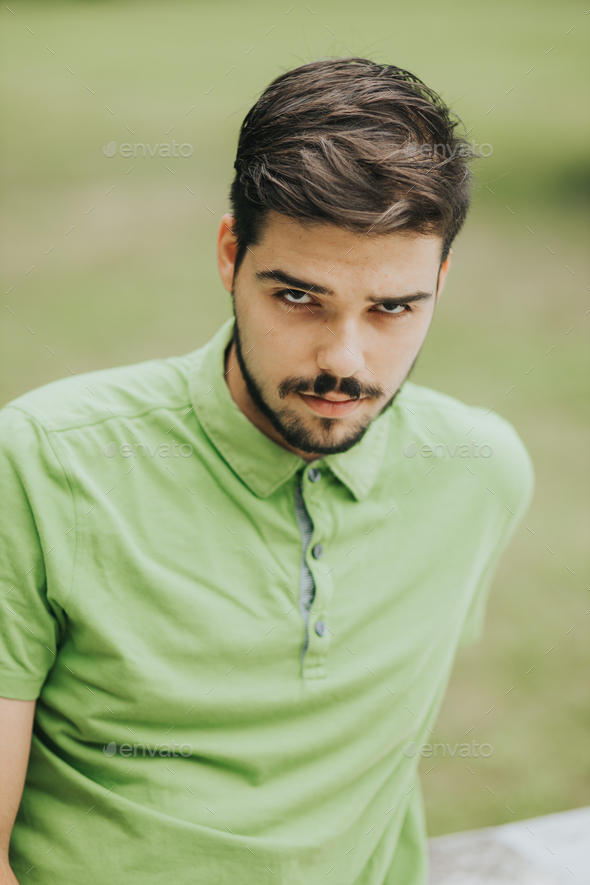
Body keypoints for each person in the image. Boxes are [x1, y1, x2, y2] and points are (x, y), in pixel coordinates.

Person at [0, 57, 533, 885]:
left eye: (393, 307)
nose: (343, 360)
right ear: (229, 255)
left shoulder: (481, 475)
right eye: (298, 297)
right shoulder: (40, 461)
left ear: (439, 284)